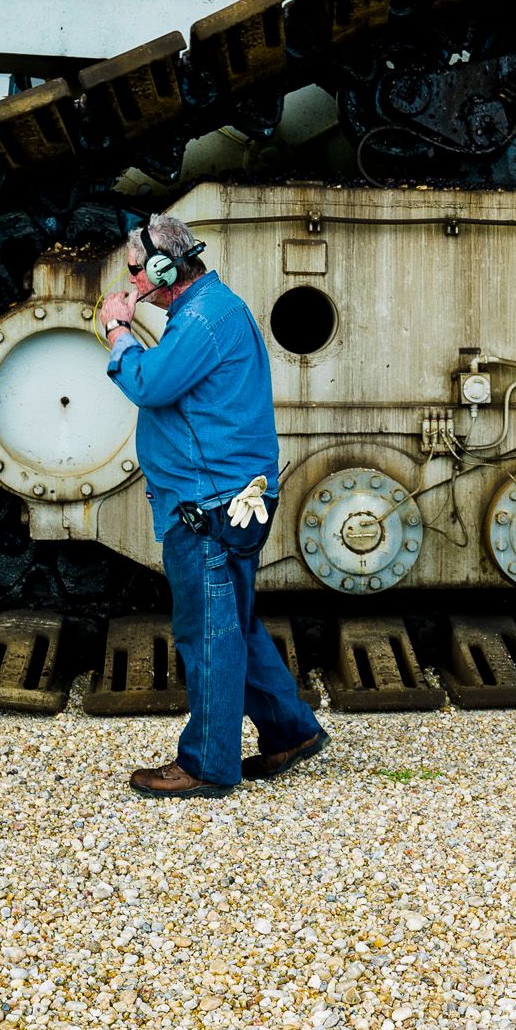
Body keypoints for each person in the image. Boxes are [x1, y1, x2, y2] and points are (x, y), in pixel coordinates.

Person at [98, 214, 328, 798]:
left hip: (209, 506)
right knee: (234, 626)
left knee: (207, 633)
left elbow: (148, 383)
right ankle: (290, 732)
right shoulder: (212, 308)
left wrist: (118, 332)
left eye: (134, 270)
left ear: (161, 269)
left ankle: (207, 764)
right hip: (231, 499)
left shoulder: (198, 321)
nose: (130, 281)